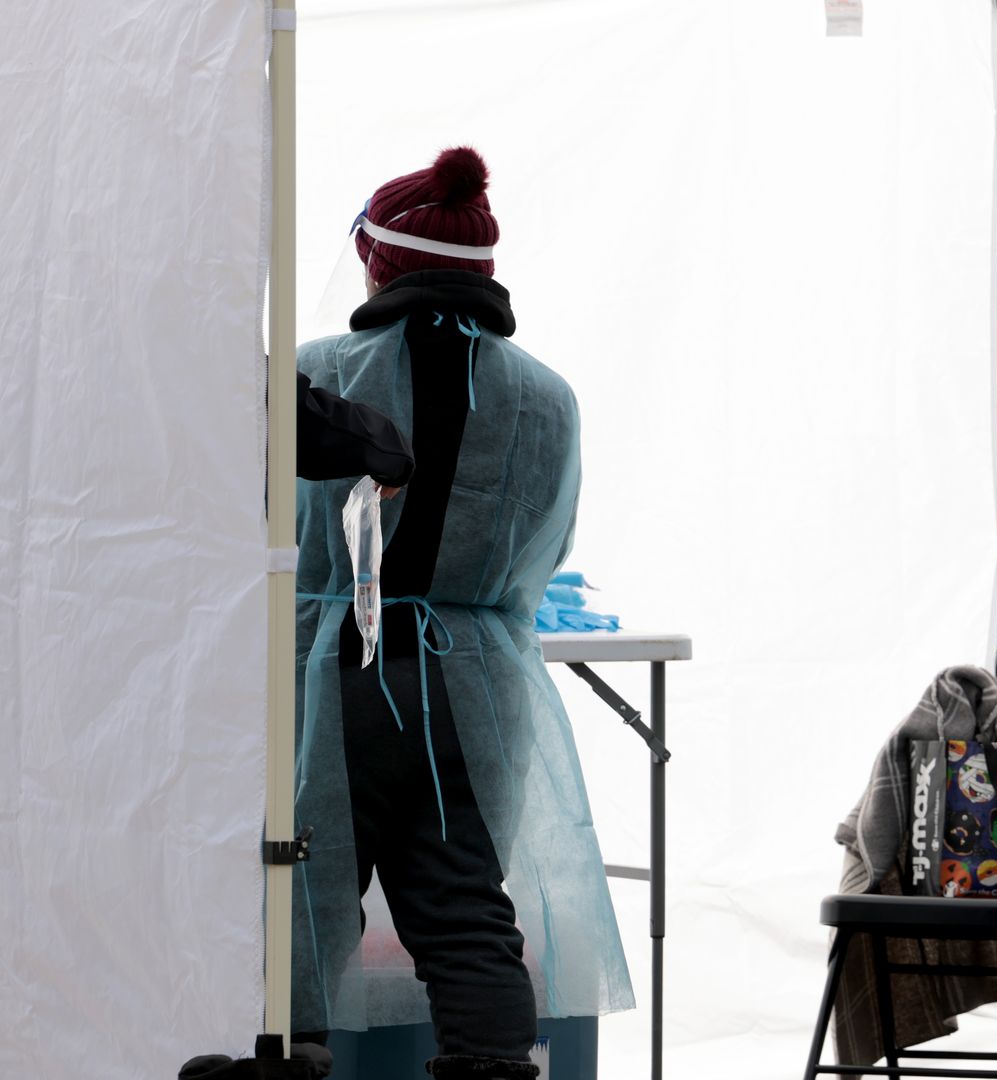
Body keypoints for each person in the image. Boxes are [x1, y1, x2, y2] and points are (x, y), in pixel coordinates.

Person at [289, 147, 632, 1080]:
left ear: (380, 264)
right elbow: (546, 554)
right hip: (473, 687)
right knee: (467, 912)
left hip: (332, 678)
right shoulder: (548, 400)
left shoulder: (316, 373)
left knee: (301, 908)